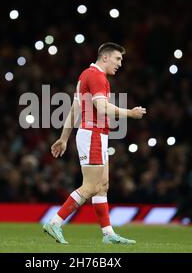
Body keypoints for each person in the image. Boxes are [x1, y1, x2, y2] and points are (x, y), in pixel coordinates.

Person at [43, 42, 146, 244]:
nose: (120, 64)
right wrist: (130, 113)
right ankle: (55, 222)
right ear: (105, 57)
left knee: (102, 186)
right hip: (93, 134)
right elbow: (102, 107)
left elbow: (74, 109)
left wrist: (64, 138)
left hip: (95, 134)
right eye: (118, 59)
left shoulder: (85, 75)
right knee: (90, 186)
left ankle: (108, 235)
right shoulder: (98, 76)